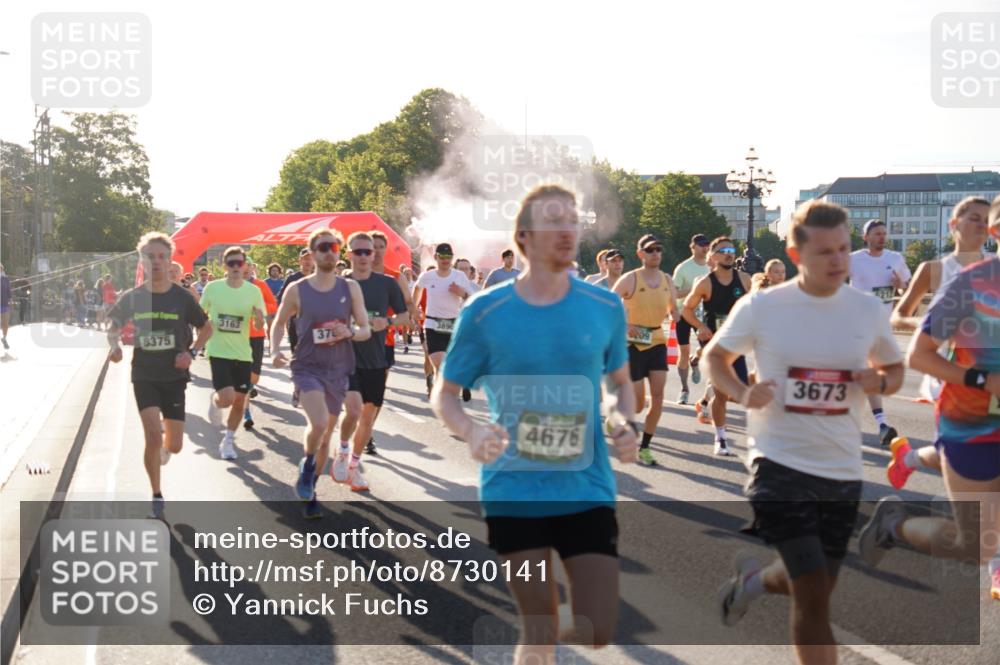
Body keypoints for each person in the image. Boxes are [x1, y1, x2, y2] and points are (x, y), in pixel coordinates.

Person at [431, 184, 638, 661]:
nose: (568, 230)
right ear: (523, 237)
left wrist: (622, 419)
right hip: (512, 489)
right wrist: (471, 430)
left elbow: (620, 383)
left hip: (586, 485)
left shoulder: (604, 306)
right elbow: (443, 395)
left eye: (573, 219)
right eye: (553, 221)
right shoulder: (485, 311)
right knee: (539, 628)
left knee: (597, 629)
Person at [710, 200, 904, 665]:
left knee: (815, 583)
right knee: (814, 593)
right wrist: (740, 392)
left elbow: (894, 370)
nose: (838, 261)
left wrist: (878, 383)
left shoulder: (866, 310)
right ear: (796, 256)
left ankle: (753, 583)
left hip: (840, 469)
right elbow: (714, 358)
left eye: (843, 249)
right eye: (824, 253)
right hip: (778, 464)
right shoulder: (763, 305)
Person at [859, 194, 1000, 604]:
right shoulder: (970, 283)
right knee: (976, 545)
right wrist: (981, 378)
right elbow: (919, 354)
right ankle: (894, 525)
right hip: (972, 424)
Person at [107, 232, 212, 519]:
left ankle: (165, 448)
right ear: (142, 260)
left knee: (174, 446)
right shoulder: (134, 297)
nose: (156, 262)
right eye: (150, 256)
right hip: (144, 373)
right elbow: (113, 326)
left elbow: (207, 328)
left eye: (161, 256)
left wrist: (191, 353)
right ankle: (156, 494)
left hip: (175, 376)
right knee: (152, 435)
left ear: (169, 260)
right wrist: (114, 345)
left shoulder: (182, 297)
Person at [886, 196, 989, 489]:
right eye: (974, 219)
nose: (982, 226)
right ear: (954, 224)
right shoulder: (934, 270)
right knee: (968, 448)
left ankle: (909, 459)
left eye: (987, 220)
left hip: (989, 369)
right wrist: (927, 327)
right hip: (946, 370)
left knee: (973, 447)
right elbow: (899, 316)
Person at [270, 229, 370, 517]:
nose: (329, 252)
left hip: (338, 369)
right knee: (319, 422)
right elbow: (278, 323)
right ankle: (309, 464)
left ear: (339, 252)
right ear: (312, 254)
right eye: (323, 247)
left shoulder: (350, 288)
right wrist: (275, 350)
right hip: (307, 367)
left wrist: (349, 331)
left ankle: (310, 482)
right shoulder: (297, 289)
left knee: (326, 435)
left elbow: (364, 329)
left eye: (334, 247)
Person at [333, 232, 408, 489]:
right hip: (346, 359)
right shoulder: (338, 283)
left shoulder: (387, 284)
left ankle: (353, 466)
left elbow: (405, 316)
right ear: (349, 254)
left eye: (369, 251)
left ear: (374, 255)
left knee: (367, 416)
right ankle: (342, 451)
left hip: (376, 359)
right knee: (353, 410)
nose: (364, 256)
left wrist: (386, 321)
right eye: (359, 251)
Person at [682, 237, 752, 456]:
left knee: (738, 394)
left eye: (732, 250)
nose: (729, 254)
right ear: (712, 256)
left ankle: (707, 397)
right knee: (723, 396)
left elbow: (757, 305)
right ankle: (720, 440)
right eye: (723, 251)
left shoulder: (745, 279)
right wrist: (700, 326)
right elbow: (686, 310)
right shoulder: (705, 282)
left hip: (736, 341)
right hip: (714, 343)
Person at [613, 234, 678, 466]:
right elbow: (610, 303)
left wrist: (674, 314)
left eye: (658, 249)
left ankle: (646, 447)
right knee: (639, 403)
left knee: (658, 397)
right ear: (640, 253)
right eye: (650, 250)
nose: (656, 254)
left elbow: (673, 308)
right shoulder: (631, 279)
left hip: (657, 341)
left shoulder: (666, 280)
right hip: (634, 344)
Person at [199, 246, 266, 460]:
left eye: (239, 263)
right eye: (231, 263)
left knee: (239, 401)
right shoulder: (212, 288)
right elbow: (201, 313)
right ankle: (217, 401)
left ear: (245, 265)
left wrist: (259, 319)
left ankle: (228, 440)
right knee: (227, 398)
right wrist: (204, 328)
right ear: (224, 266)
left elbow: (258, 319)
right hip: (219, 350)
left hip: (243, 353)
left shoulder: (253, 291)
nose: (236, 267)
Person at [849, 219, 911, 447]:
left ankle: (878, 422)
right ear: (866, 237)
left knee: (870, 374)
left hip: (882, 326)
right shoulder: (854, 260)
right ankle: (881, 422)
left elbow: (909, 287)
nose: (882, 237)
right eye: (877, 234)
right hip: (856, 325)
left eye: (884, 233)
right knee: (864, 371)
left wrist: (900, 284)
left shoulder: (895, 259)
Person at [413, 243, 474, 400]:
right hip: (432, 323)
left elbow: (472, 298)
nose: (445, 260)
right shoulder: (428, 276)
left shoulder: (459, 276)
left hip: (452, 323)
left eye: (448, 257)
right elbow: (417, 288)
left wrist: (461, 293)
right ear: (436, 258)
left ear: (452, 258)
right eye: (442, 257)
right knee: (439, 364)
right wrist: (414, 307)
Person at [672, 234, 712, 404]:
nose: (705, 247)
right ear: (693, 247)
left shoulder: (712, 266)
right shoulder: (683, 268)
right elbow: (673, 293)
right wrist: (692, 291)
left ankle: (695, 361)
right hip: (683, 313)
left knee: (708, 349)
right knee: (684, 351)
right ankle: (684, 389)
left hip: (703, 314)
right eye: (701, 245)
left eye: (707, 244)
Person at [242, 259, 279, 429]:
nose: (246, 268)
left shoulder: (260, 285)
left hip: (256, 335)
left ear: (252, 268)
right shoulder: (229, 286)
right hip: (236, 337)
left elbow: (273, 305)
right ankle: (246, 411)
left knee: (254, 375)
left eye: (249, 266)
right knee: (242, 375)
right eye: (243, 265)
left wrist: (259, 308)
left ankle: (249, 388)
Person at [277, 247, 315, 356]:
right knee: (297, 355)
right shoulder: (292, 279)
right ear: (300, 261)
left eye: (310, 258)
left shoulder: (318, 278)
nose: (308, 261)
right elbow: (281, 298)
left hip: (314, 323)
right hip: (296, 323)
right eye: (305, 259)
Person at [0, 265, 10, 349]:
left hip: (4, 304)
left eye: (0, 269)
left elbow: (8, 290)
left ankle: (4, 338)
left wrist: (10, 300)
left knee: (5, 324)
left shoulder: (5, 279)